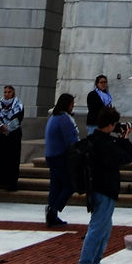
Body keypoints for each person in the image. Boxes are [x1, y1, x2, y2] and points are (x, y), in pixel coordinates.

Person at [73, 107, 132, 264]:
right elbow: (126, 157)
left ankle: (94, 262)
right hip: (104, 189)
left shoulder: (95, 139)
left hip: (100, 188)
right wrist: (125, 138)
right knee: (97, 227)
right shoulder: (105, 144)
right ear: (110, 124)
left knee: (104, 228)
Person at [44, 93, 79, 226]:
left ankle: (52, 212)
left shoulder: (54, 117)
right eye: (72, 104)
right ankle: (53, 210)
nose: (73, 107)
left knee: (56, 185)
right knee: (70, 184)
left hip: (51, 155)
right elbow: (71, 140)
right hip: (60, 156)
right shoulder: (64, 118)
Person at [0, 85, 24, 191]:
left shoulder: (18, 105)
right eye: (5, 92)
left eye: (9, 92)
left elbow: (18, 119)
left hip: (12, 136)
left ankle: (11, 183)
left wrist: (7, 127)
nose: (6, 94)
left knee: (12, 160)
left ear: (13, 93)